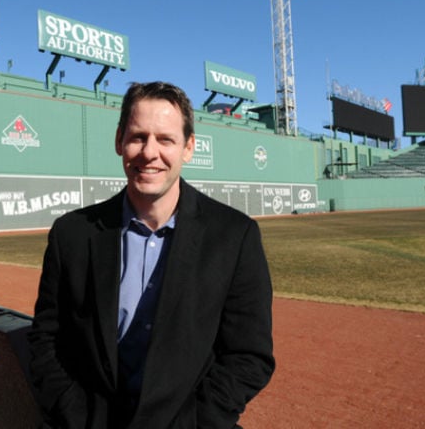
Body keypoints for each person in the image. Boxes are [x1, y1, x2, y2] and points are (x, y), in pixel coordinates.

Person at [27, 81, 275, 428]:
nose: (149, 152)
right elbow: (46, 340)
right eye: (138, 136)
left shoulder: (234, 237)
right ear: (119, 141)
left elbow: (249, 356)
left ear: (188, 147)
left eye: (166, 139)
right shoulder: (72, 234)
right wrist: (78, 418)